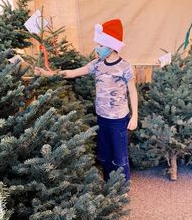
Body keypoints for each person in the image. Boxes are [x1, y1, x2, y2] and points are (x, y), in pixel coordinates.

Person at [34, 19, 138, 182]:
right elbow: (72, 73)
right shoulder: (96, 64)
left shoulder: (125, 67)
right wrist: (46, 74)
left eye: (101, 45)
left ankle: (122, 186)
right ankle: (108, 182)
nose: (97, 48)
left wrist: (135, 117)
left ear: (111, 46)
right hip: (102, 117)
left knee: (119, 155)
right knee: (105, 154)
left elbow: (132, 91)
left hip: (119, 119)